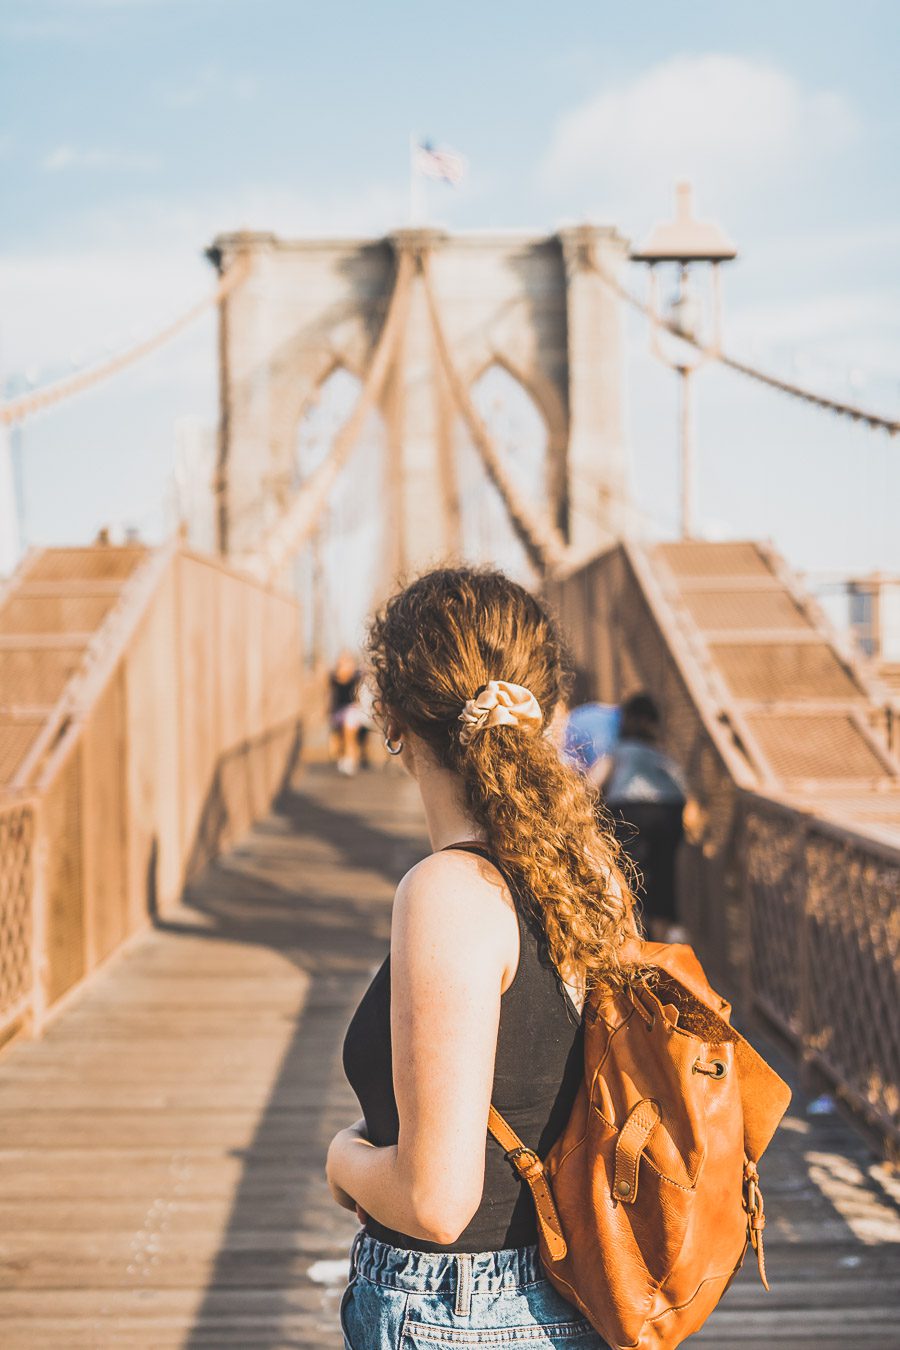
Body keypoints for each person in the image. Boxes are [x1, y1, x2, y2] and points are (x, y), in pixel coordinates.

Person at [326, 567, 635, 1349]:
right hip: (577, 1292)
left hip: (460, 1313)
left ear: (390, 719)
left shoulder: (448, 894)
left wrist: (345, 1162)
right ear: (548, 707)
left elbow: (436, 1201)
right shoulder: (590, 870)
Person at [588, 691, 697, 944]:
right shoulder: (660, 754)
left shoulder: (619, 751)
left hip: (629, 809)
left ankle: (632, 937)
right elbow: (684, 787)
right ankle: (668, 936)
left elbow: (592, 784)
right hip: (669, 808)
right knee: (663, 876)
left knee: (627, 876)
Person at [329, 651, 363, 775]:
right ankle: (345, 759)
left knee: (350, 736)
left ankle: (351, 762)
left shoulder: (356, 676)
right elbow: (330, 695)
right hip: (338, 709)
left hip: (351, 709)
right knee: (339, 738)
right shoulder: (333, 677)